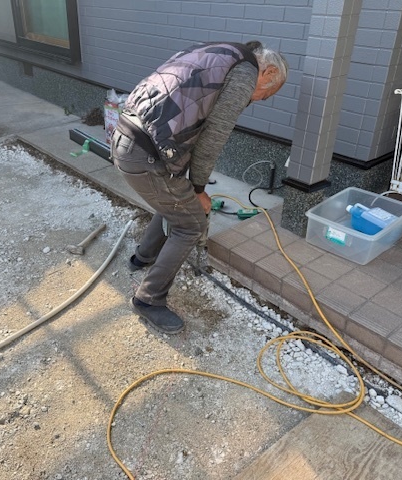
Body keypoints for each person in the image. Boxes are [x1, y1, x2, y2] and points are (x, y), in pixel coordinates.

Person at [111, 41, 288, 335]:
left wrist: (189, 187)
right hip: (146, 153)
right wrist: (198, 188)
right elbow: (213, 137)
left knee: (174, 199)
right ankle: (148, 299)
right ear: (268, 72)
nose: (256, 99)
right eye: (265, 95)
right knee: (191, 223)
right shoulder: (245, 74)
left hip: (127, 135)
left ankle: (142, 257)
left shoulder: (219, 53)